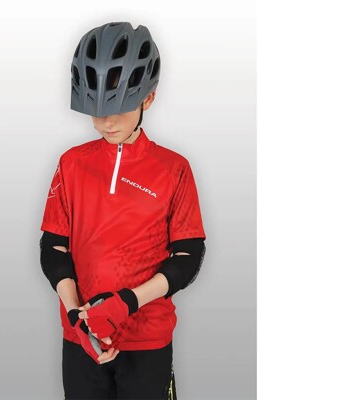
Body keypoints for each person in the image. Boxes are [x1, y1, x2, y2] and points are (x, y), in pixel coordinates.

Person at [39, 21, 206, 399]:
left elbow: (188, 256)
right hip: (81, 340)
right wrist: (75, 314)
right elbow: (53, 248)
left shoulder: (174, 169)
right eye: (96, 110)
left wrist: (127, 302)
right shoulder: (71, 163)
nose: (106, 122)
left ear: (148, 98)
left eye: (119, 107)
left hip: (147, 341)